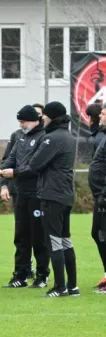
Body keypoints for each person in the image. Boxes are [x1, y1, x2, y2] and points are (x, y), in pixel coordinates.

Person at [0, 101, 78, 298]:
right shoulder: (68, 136)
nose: (42, 118)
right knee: (65, 240)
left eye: (44, 115)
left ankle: (59, 286)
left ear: (51, 116)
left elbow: (35, 164)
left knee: (52, 241)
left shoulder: (52, 138)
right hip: (65, 194)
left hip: (51, 195)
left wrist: (15, 172)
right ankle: (72, 286)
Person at [0, 105, 50, 288]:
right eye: (19, 121)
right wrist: (1, 171)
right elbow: (11, 158)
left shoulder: (44, 137)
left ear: (34, 120)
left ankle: (42, 274)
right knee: (21, 235)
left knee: (38, 236)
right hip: (21, 193)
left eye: (23, 121)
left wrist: (15, 173)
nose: (21, 124)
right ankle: (21, 274)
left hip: (37, 193)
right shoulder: (20, 136)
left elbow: (36, 166)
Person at [88, 105, 106, 293]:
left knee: (102, 235)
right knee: (98, 234)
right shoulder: (103, 136)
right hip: (99, 196)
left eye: (103, 113)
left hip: (103, 196)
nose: (100, 115)